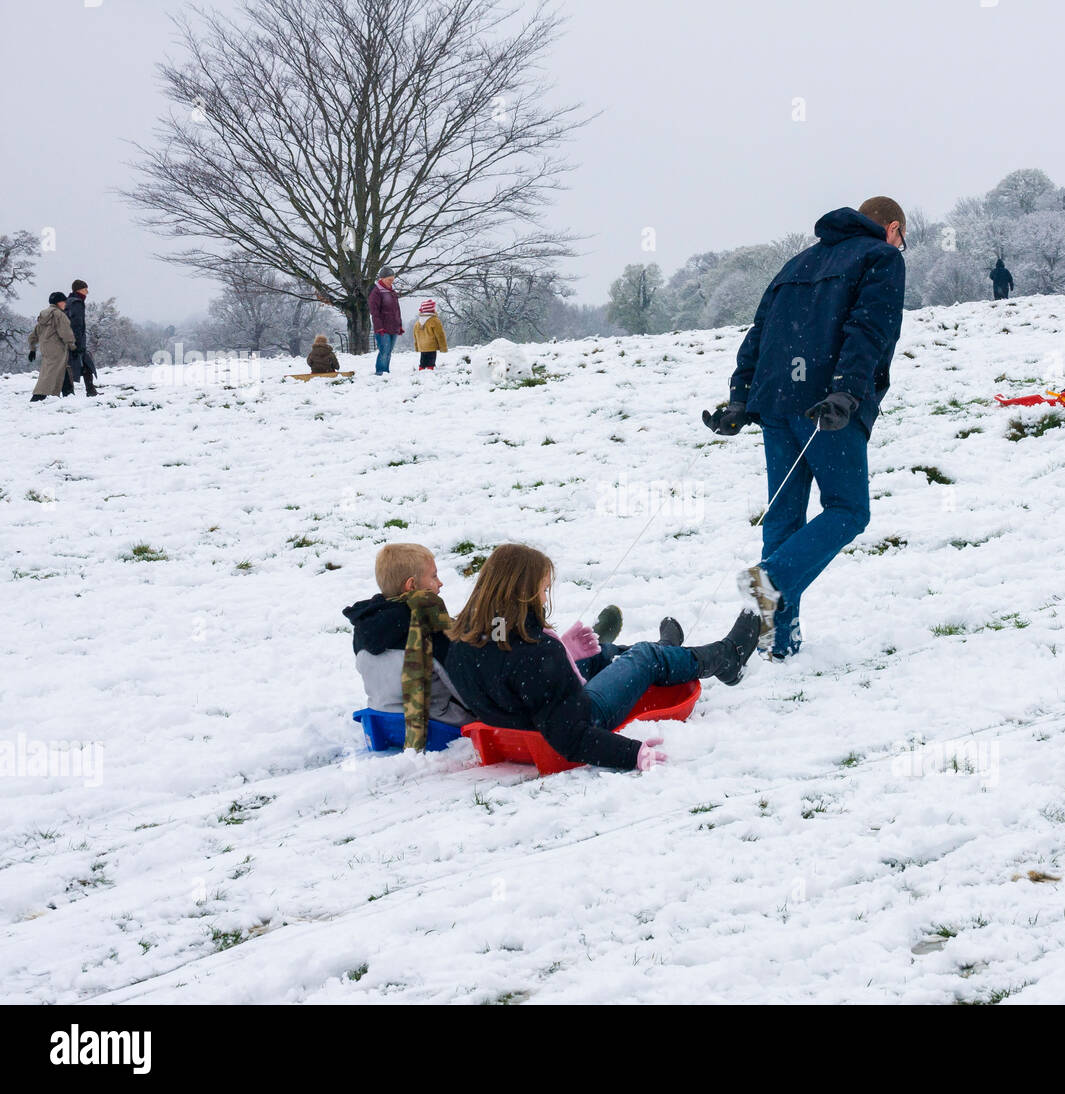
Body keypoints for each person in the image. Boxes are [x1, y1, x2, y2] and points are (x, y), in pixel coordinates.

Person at [703, 196, 907, 659]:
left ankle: (778, 640)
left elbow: (760, 330)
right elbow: (870, 327)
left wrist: (741, 396)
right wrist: (847, 390)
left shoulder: (797, 261)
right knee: (848, 510)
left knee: (784, 515)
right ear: (892, 228)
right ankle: (769, 582)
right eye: (902, 239)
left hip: (775, 401)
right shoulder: (882, 257)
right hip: (827, 403)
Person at [445, 544, 761, 772]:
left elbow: (508, 669)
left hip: (520, 709)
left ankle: (667, 650)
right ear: (525, 594)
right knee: (643, 657)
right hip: (577, 716)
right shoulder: (539, 655)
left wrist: (562, 653)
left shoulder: (466, 636)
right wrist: (630, 754)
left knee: (601, 654)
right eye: (543, 590)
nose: (544, 597)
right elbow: (570, 737)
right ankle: (725, 657)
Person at [342, 543, 473, 750]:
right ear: (412, 586)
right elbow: (463, 687)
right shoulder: (429, 626)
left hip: (383, 715)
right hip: (436, 721)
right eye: (434, 576)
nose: (440, 583)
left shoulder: (365, 626)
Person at [27, 292, 77, 402]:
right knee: (49, 374)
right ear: (59, 303)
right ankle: (38, 396)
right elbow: (65, 332)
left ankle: (69, 394)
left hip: (46, 349)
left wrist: (32, 349)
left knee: (63, 369)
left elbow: (34, 334)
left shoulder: (43, 315)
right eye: (64, 302)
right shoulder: (59, 315)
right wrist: (72, 346)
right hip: (57, 349)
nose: (66, 304)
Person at [60, 279, 97, 397]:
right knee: (82, 365)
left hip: (68, 339)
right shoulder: (77, 303)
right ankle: (87, 391)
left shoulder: (68, 301)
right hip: (75, 341)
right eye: (85, 289)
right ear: (79, 290)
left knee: (75, 365)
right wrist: (78, 344)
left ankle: (88, 391)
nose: (87, 292)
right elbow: (77, 324)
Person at [367, 266, 402, 376]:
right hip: (382, 328)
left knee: (389, 352)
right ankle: (380, 372)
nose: (391, 281)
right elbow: (374, 312)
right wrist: (379, 327)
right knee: (384, 351)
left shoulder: (392, 292)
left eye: (392, 279)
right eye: (389, 279)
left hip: (394, 327)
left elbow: (397, 310)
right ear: (382, 279)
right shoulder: (376, 292)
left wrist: (399, 325)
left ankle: (386, 371)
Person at [413, 299, 448, 370]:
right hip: (431, 346)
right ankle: (430, 369)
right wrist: (443, 347)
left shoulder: (417, 322)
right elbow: (440, 334)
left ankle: (421, 368)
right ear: (432, 310)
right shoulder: (434, 321)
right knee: (431, 360)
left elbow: (415, 336)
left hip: (422, 346)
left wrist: (417, 346)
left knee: (423, 359)